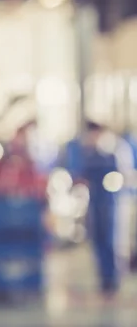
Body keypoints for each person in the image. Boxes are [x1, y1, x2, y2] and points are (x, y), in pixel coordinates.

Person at [66, 121, 134, 297]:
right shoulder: (87, 154)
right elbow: (80, 176)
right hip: (95, 203)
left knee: (112, 239)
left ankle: (113, 278)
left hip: (112, 203)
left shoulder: (114, 152)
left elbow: (122, 177)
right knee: (98, 240)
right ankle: (104, 278)